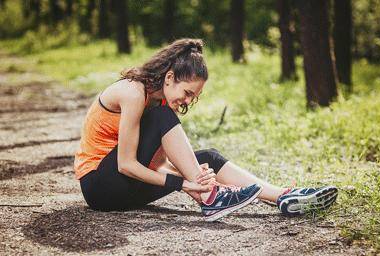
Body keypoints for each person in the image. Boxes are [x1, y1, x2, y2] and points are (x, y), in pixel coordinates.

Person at [74, 38, 338, 222]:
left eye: (194, 97)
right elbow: (127, 165)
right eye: (188, 93)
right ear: (169, 78)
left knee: (208, 158)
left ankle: (282, 196)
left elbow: (156, 165)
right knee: (165, 121)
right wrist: (184, 183)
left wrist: (197, 179)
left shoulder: (160, 102)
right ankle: (212, 198)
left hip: (125, 190)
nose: (188, 101)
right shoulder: (133, 93)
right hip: (100, 187)